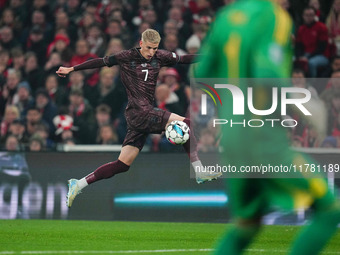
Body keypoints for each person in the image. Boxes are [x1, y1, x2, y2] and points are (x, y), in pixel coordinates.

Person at [195, 1, 340, 255]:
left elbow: (202, 72)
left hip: (233, 138)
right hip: (262, 137)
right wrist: (301, 102)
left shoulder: (227, 17)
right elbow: (266, 71)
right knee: (329, 209)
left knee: (246, 226)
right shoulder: (274, 17)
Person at [56, 29, 221, 207]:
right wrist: (72, 68)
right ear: (141, 44)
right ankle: (199, 170)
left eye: (155, 49)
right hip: (139, 111)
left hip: (140, 116)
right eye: (149, 48)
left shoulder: (161, 56)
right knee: (186, 123)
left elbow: (185, 58)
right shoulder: (126, 56)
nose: (151, 52)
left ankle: (78, 184)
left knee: (122, 164)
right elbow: (101, 62)